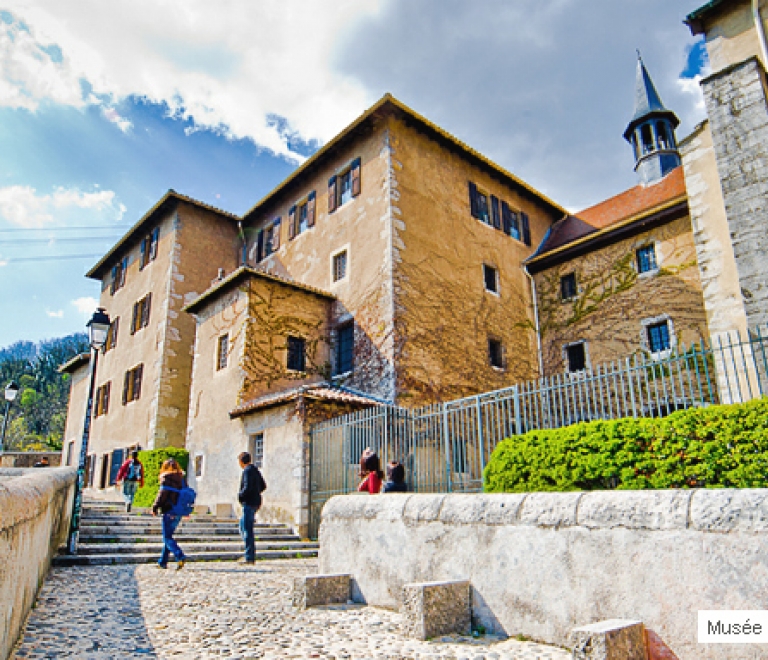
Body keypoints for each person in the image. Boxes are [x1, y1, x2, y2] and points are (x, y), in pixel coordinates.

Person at [151, 458, 187, 570]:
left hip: (168, 510)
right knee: (168, 537)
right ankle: (162, 562)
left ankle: (179, 555)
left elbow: (162, 495)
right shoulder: (182, 479)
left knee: (167, 537)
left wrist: (155, 507)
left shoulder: (166, 478)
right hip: (179, 511)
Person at [238, 451, 267, 564]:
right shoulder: (255, 470)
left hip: (249, 502)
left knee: (247, 530)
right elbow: (263, 485)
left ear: (241, 462)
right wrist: (256, 492)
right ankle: (248, 553)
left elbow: (247, 487)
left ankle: (249, 557)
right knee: (242, 526)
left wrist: (241, 495)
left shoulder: (247, 471)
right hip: (256, 502)